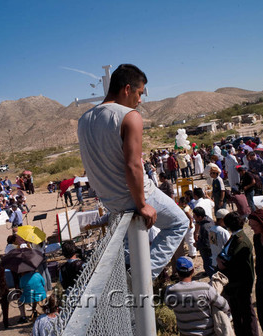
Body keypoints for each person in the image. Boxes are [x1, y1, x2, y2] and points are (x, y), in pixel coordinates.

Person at [77, 64, 188, 279]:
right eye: (139, 93)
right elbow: (133, 165)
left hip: (111, 201)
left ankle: (128, 270)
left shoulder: (84, 120)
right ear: (127, 89)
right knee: (179, 223)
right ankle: (143, 275)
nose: (139, 100)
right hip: (136, 195)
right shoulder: (129, 116)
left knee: (131, 242)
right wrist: (142, 204)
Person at [218, 212, 259, 336]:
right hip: (235, 284)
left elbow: (239, 265)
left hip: (240, 284)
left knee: (246, 314)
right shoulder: (236, 237)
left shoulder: (241, 242)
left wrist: (223, 265)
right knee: (237, 313)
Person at [165, 256, 230, 336]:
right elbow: (225, 306)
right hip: (208, 333)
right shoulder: (205, 288)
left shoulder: (170, 291)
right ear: (192, 271)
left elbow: (169, 306)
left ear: (177, 272)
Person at [193, 207, 214, 277]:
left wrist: (197, 245)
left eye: (194, 215)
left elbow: (207, 244)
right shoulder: (207, 220)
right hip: (208, 250)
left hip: (207, 251)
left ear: (199, 217)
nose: (193, 216)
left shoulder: (205, 227)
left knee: (209, 266)